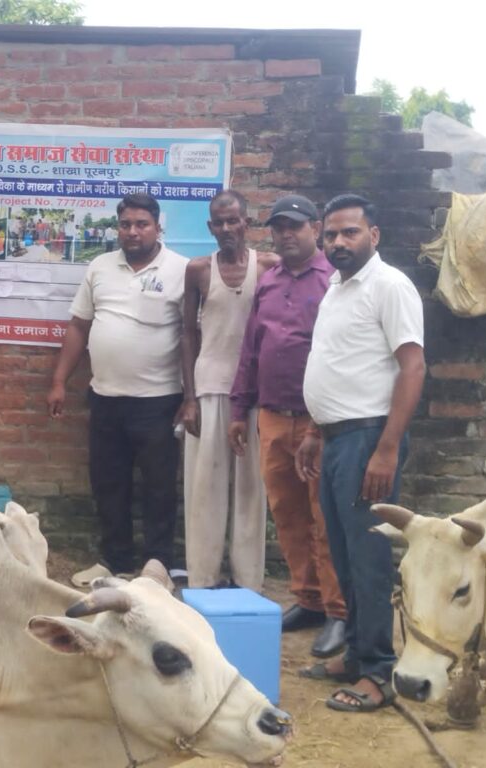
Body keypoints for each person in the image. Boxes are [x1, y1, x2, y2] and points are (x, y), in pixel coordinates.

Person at [297, 194, 426, 713]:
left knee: (368, 559)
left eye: (349, 232)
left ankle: (378, 670)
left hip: (368, 439)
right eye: (330, 234)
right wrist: (315, 429)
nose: (337, 242)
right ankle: (355, 653)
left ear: (374, 235)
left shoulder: (389, 285)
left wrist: (386, 449)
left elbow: (412, 367)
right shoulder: (336, 287)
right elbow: (333, 361)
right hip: (336, 438)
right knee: (344, 553)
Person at [228, 195, 347, 657]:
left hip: (321, 420)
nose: (286, 235)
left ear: (315, 229)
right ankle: (309, 599)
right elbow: (251, 350)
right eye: (279, 228)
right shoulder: (269, 282)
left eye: (295, 226)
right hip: (273, 417)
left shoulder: (334, 281)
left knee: (325, 517)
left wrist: (319, 423)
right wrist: (239, 410)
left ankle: (338, 611)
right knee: (288, 514)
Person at [47, 193, 186, 585]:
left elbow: (193, 336)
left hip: (159, 400)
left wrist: (191, 397)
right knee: (108, 483)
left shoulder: (181, 269)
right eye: (125, 224)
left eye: (142, 224)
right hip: (106, 398)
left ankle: (158, 565)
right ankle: (114, 560)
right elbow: (79, 326)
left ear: (158, 227)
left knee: (159, 487)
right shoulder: (100, 267)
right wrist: (59, 381)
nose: (132, 231)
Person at [181, 190, 278, 591]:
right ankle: (203, 579)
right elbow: (187, 334)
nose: (226, 228)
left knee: (251, 488)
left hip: (254, 392)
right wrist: (189, 398)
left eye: (233, 220)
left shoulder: (268, 266)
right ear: (210, 227)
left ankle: (248, 582)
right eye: (219, 222)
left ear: (246, 223)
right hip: (210, 387)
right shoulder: (198, 270)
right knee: (204, 488)